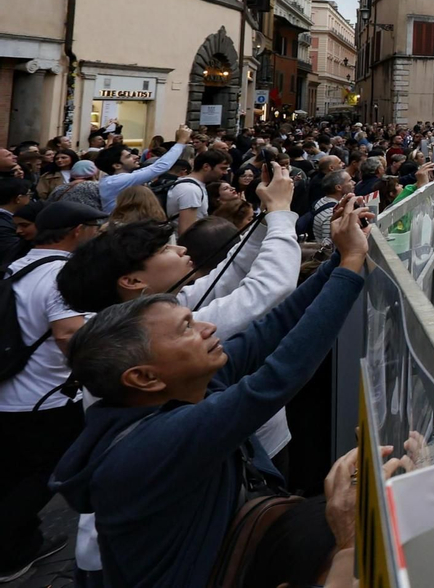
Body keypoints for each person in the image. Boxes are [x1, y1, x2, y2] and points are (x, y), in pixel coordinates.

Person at [52, 191, 369, 588]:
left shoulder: (183, 386)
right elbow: (278, 377)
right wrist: (350, 266)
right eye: (187, 328)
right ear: (144, 377)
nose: (207, 328)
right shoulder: (158, 440)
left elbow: (272, 327)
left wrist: (338, 259)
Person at [0, 200, 104, 581]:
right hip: (47, 399)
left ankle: (23, 542)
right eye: (94, 228)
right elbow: (68, 333)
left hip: (11, 396)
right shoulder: (62, 274)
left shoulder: (17, 266)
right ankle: (9, 552)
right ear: (78, 231)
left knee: (13, 475)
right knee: (47, 475)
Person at [95, 125, 192, 212]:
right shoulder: (117, 181)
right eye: (128, 156)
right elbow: (159, 167)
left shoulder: (115, 179)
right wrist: (181, 141)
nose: (136, 157)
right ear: (117, 165)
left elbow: (153, 167)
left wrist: (180, 142)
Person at [166, 148, 229, 235]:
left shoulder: (195, 186)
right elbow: (185, 232)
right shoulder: (191, 190)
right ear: (206, 167)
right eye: (223, 168)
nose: (225, 172)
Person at [0, 179, 30, 264]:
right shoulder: (4, 226)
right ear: (18, 199)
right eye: (28, 195)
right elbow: (13, 254)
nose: (30, 199)